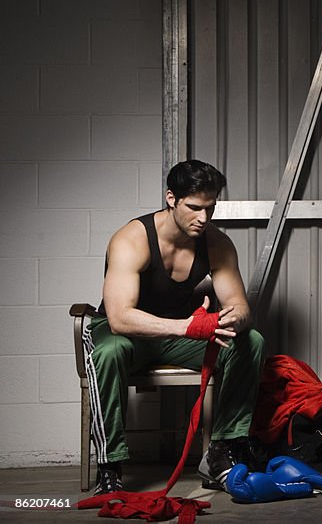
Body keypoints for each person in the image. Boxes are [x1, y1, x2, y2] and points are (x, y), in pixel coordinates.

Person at [84, 160, 265, 494]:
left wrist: (230, 318)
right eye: (194, 208)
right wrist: (188, 327)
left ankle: (223, 451)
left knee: (250, 341)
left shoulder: (216, 244)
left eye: (210, 208)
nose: (203, 218)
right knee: (108, 351)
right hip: (127, 334)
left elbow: (240, 307)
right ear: (171, 198)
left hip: (176, 335)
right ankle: (110, 469)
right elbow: (120, 318)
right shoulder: (131, 239)